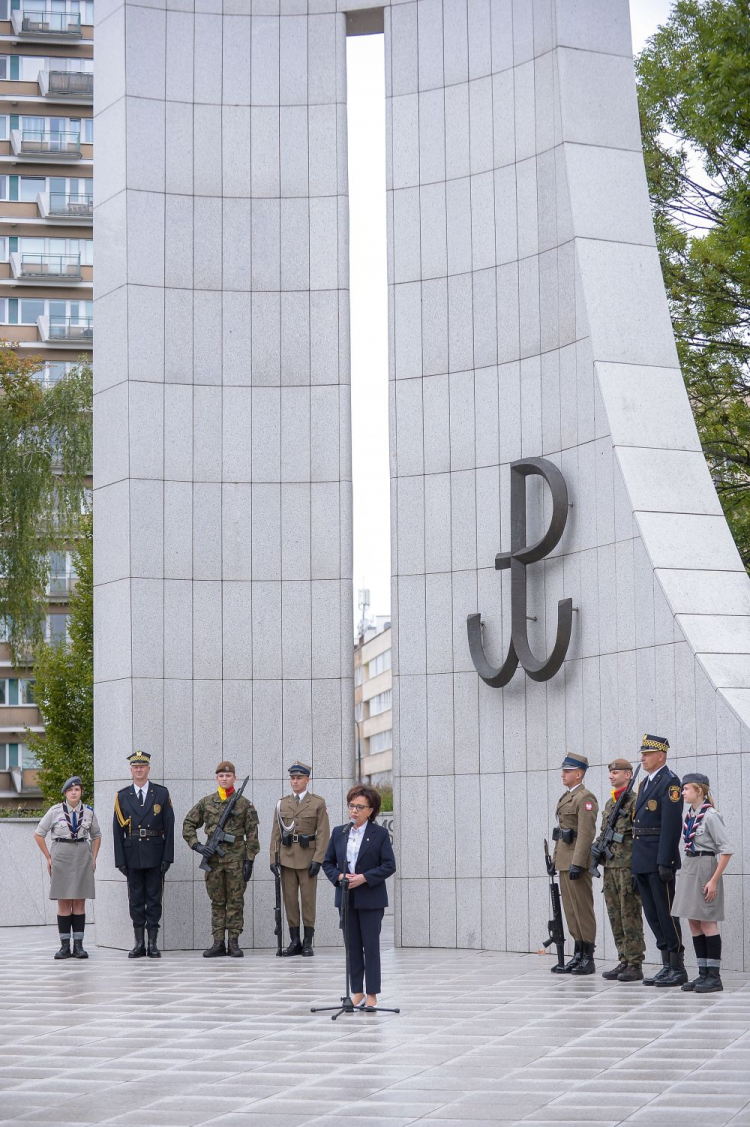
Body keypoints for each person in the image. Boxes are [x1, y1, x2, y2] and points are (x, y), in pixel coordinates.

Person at [323, 784, 395, 1009]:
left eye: (359, 807)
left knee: (370, 947)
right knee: (352, 946)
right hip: (346, 898)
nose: (353, 811)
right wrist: (340, 876)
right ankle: (357, 992)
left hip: (371, 898)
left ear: (370, 810)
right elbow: (327, 863)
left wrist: (364, 877)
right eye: (351, 806)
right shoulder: (339, 832)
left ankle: (372, 993)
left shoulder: (379, 834)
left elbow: (388, 865)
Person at [183, 761, 259, 957]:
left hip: (236, 859)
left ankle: (233, 942)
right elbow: (188, 824)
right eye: (221, 776)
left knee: (235, 901)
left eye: (228, 775)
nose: (224, 779)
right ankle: (218, 942)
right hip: (214, 860)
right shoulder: (207, 802)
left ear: (234, 777)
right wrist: (197, 845)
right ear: (217, 778)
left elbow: (252, 834)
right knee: (217, 901)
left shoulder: (244, 804)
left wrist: (249, 860)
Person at [631, 733, 686, 987]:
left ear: (660, 756)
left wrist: (666, 860)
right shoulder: (644, 783)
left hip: (658, 860)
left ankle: (677, 967)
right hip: (643, 859)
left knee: (666, 913)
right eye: (642, 754)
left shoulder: (670, 783)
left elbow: (671, 825)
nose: (642, 758)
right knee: (652, 914)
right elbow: (637, 827)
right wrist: (635, 865)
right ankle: (666, 965)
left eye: (647, 754)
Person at [672, 773, 733, 993]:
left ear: (699, 790)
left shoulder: (710, 816)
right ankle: (703, 973)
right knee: (693, 921)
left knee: (707, 920)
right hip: (689, 866)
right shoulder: (690, 814)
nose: (683, 792)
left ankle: (714, 977)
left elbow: (726, 851)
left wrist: (714, 880)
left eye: (687, 788)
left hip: (706, 867)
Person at [113, 750, 175, 958]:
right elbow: (116, 831)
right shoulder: (122, 796)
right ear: (131, 770)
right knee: (136, 899)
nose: (139, 769)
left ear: (148, 769)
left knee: (154, 898)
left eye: (142, 766)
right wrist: (120, 859)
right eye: (135, 766)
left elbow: (169, 826)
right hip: (132, 855)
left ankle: (153, 944)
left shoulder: (161, 793)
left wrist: (168, 857)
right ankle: (139, 943)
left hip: (155, 853)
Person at [34, 776, 102, 960]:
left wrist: (93, 858)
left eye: (77, 790)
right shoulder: (55, 811)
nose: (74, 792)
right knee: (63, 901)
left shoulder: (88, 812)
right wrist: (48, 857)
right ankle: (64, 946)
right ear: (65, 793)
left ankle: (78, 946)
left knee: (79, 901)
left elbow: (96, 836)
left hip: (81, 856)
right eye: (71, 790)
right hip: (61, 856)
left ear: (81, 792)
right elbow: (39, 834)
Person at [270, 761, 331, 957]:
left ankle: (307, 941)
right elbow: (275, 833)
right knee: (290, 901)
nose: (295, 781)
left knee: (307, 900)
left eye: (299, 778)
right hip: (287, 857)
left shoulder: (317, 803)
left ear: (307, 779)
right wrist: (273, 858)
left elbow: (323, 833)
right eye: (292, 778)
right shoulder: (282, 803)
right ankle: (294, 940)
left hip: (307, 858)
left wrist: (318, 859)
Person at [595, 758, 646, 982]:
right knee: (615, 916)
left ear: (628, 775)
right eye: (611, 772)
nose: (611, 775)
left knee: (630, 916)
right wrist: (595, 852)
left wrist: (638, 868)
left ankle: (635, 964)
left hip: (627, 867)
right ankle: (623, 959)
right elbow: (604, 831)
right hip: (610, 867)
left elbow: (640, 837)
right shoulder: (609, 804)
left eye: (616, 772)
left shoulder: (635, 802)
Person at [551, 753, 598, 975]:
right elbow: (561, 833)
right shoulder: (566, 797)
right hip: (564, 861)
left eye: (567, 771)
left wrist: (578, 863)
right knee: (570, 910)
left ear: (578, 773)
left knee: (582, 909)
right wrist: (554, 859)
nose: (563, 774)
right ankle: (578, 953)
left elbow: (586, 834)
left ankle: (588, 956)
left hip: (576, 862)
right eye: (564, 770)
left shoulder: (585, 798)